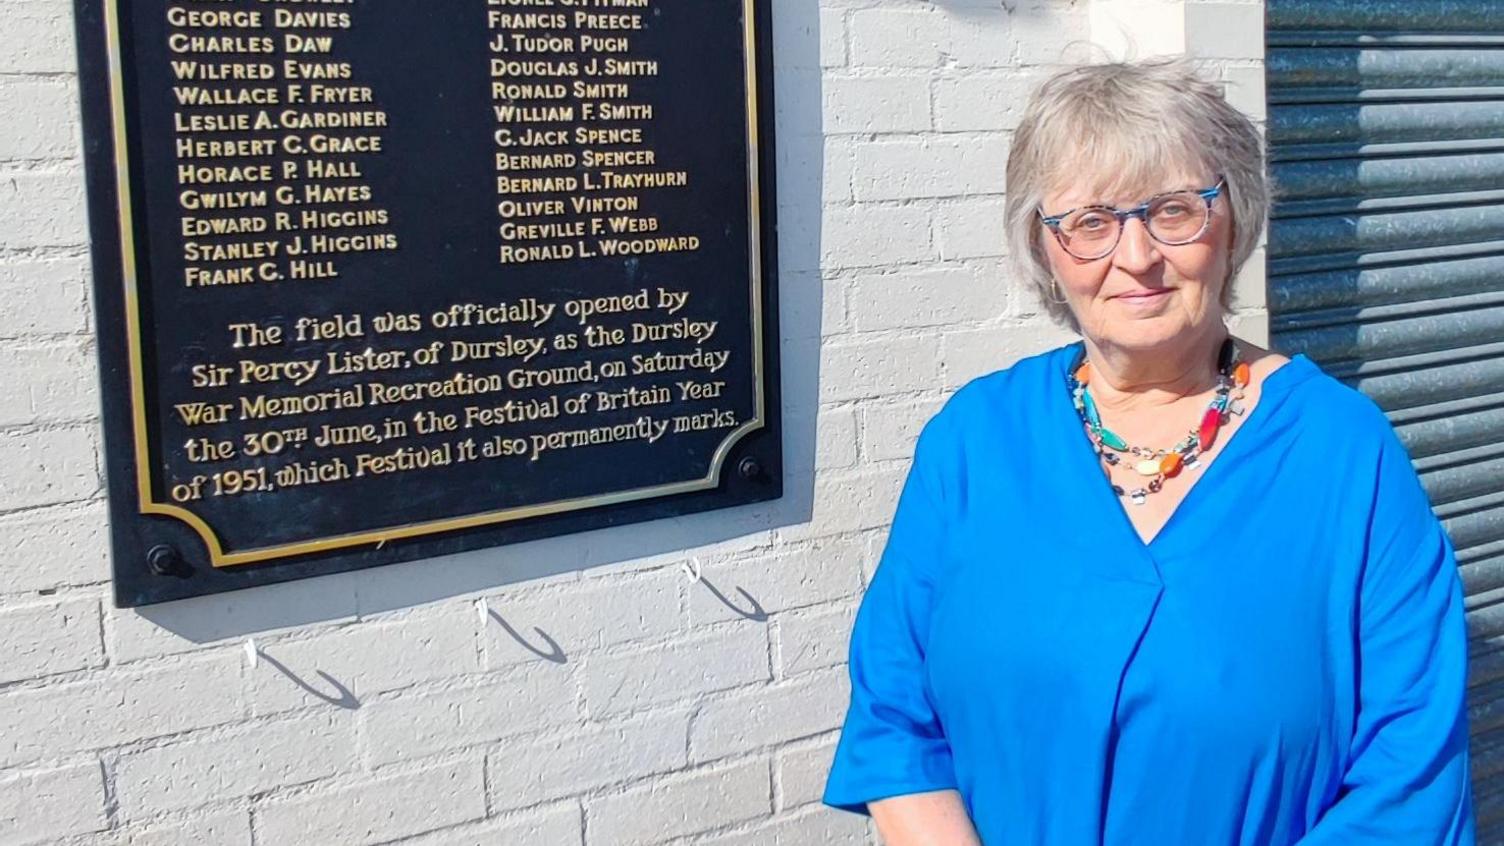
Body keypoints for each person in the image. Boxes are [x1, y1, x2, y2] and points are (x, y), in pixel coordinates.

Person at [822, 58, 1476, 845]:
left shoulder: (1346, 456)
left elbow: (1410, 782)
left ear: (1233, 220)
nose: (1135, 257)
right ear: (1046, 249)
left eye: (1173, 211)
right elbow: (895, 717)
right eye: (1091, 221)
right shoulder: (973, 439)